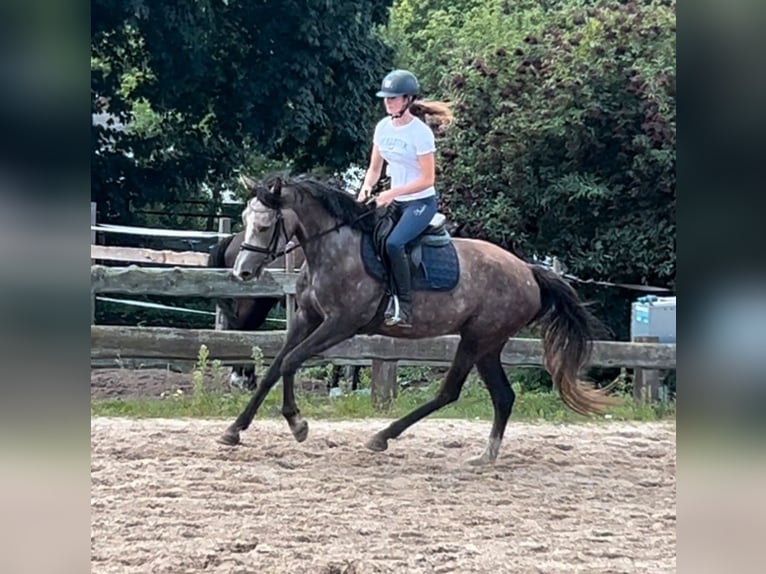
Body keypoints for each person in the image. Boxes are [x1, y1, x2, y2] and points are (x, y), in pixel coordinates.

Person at [358, 69, 453, 328]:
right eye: (386, 98)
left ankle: (406, 307)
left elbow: (427, 179)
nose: (388, 102)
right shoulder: (382, 128)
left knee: (394, 243)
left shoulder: (420, 133)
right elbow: (375, 169)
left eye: (394, 97)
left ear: (408, 99)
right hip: (395, 202)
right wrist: (365, 191)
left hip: (420, 203)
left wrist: (391, 193)